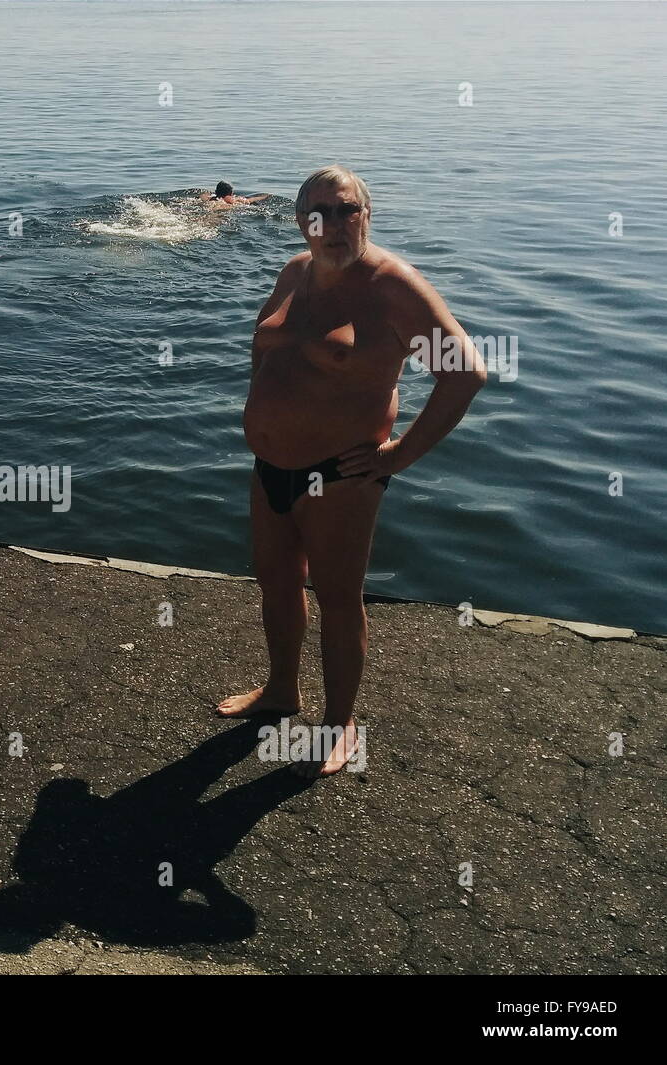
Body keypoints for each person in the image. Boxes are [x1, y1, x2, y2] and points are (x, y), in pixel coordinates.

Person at [219, 165, 485, 775]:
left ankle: (341, 726)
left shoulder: (393, 287)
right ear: (300, 221)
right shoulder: (294, 272)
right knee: (277, 582)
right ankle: (281, 690)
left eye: (346, 210)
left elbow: (465, 372)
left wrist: (398, 455)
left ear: (367, 214)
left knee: (339, 599)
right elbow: (266, 346)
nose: (333, 224)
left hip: (338, 477)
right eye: (319, 213)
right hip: (270, 466)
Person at [203, 180, 270, 210]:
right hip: (223, 209)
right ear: (231, 193)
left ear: (216, 191)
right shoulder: (234, 200)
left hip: (209, 208)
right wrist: (265, 196)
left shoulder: (209, 198)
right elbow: (251, 200)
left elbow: (203, 195)